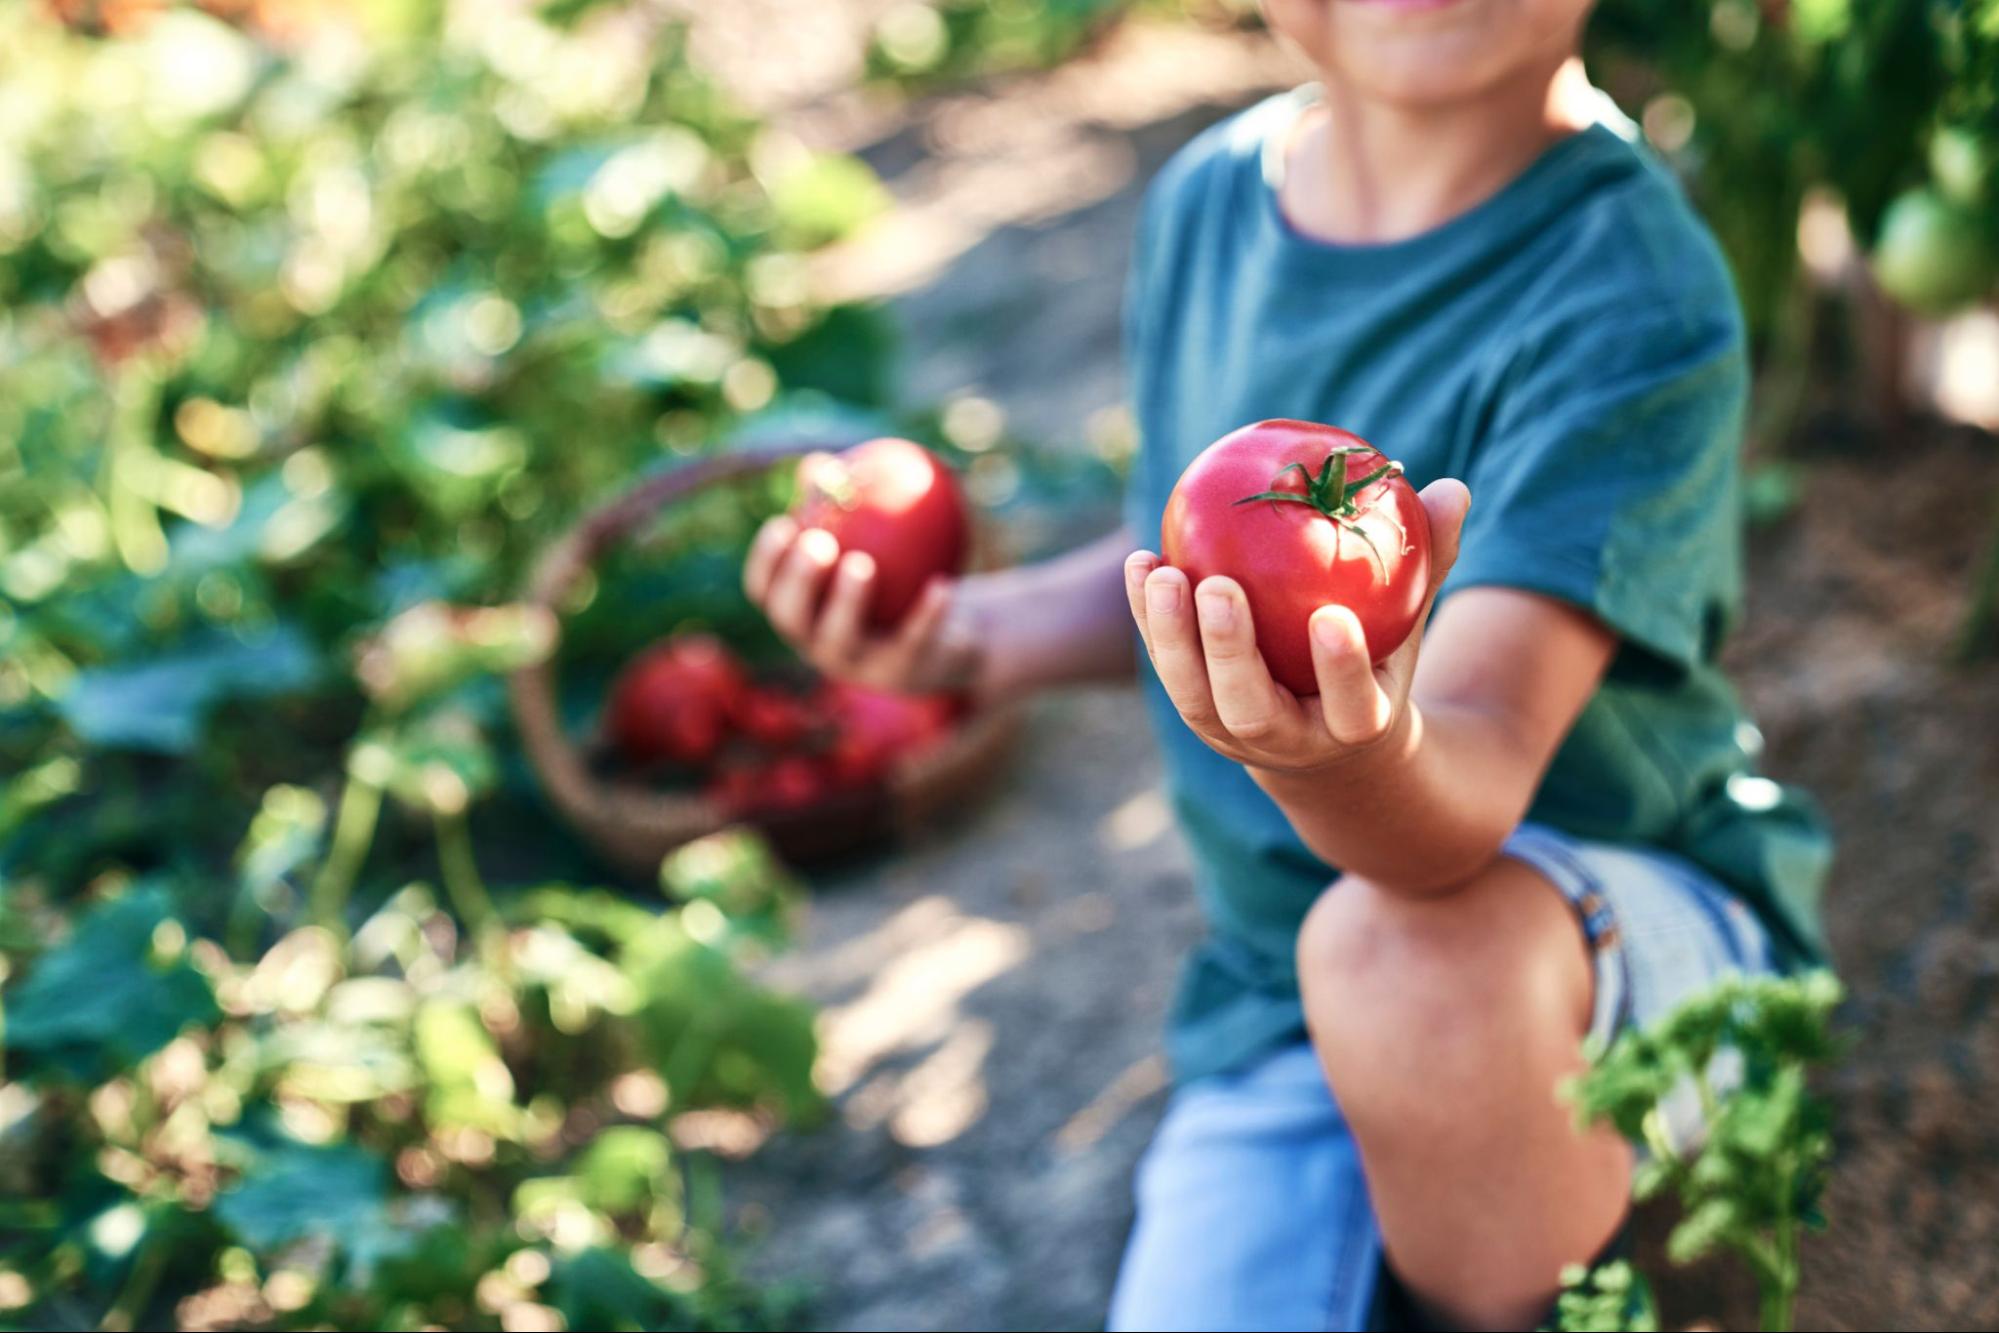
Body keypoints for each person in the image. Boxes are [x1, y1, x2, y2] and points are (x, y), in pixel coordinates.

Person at [742, 1, 1831, 1327]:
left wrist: (1345, 764)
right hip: (1288, 993)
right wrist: (963, 635)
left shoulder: (1631, 296)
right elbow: (1182, 576)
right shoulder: (1207, 205)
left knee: (1411, 965)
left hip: (1618, 942)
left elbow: (1460, 794)